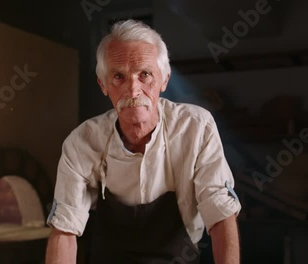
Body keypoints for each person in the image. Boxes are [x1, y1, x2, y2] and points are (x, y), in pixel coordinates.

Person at [45, 19, 241, 264]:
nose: (133, 90)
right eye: (119, 76)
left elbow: (221, 215)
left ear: (164, 80)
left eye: (145, 74)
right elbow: (64, 230)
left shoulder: (196, 127)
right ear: (103, 85)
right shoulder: (82, 143)